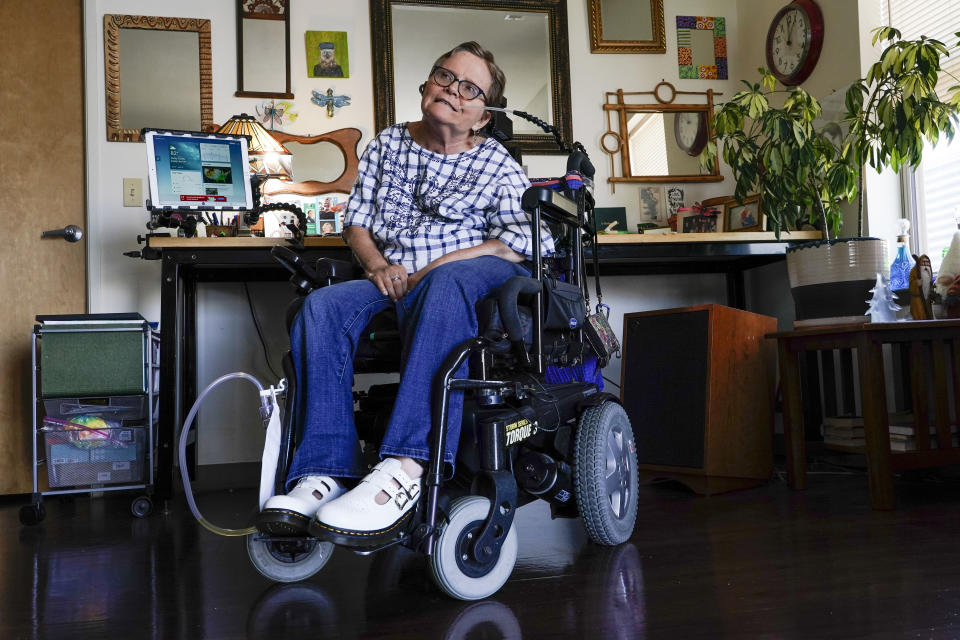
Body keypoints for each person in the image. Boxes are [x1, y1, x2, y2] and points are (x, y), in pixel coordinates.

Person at [260, 42, 552, 542]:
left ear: (483, 117)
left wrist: (438, 264)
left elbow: (524, 240)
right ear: (426, 84)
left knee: (445, 282)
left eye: (469, 88)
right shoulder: (388, 145)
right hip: (394, 278)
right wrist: (377, 266)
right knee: (320, 306)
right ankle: (324, 471)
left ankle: (407, 466)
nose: (451, 91)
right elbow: (358, 224)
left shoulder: (497, 162)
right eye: (444, 76)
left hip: (465, 279)